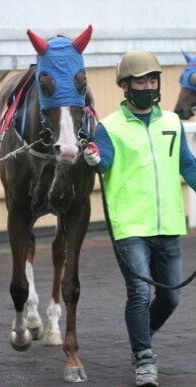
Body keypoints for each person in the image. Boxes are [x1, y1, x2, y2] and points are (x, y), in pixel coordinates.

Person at [83, 49, 196, 387]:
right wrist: (92, 159)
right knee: (138, 292)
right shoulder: (109, 127)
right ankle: (144, 358)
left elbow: (187, 165)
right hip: (129, 224)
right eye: (139, 81)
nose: (147, 86)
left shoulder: (173, 123)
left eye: (151, 80)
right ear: (125, 86)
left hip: (168, 224)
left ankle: (140, 336)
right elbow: (103, 163)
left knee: (171, 297)